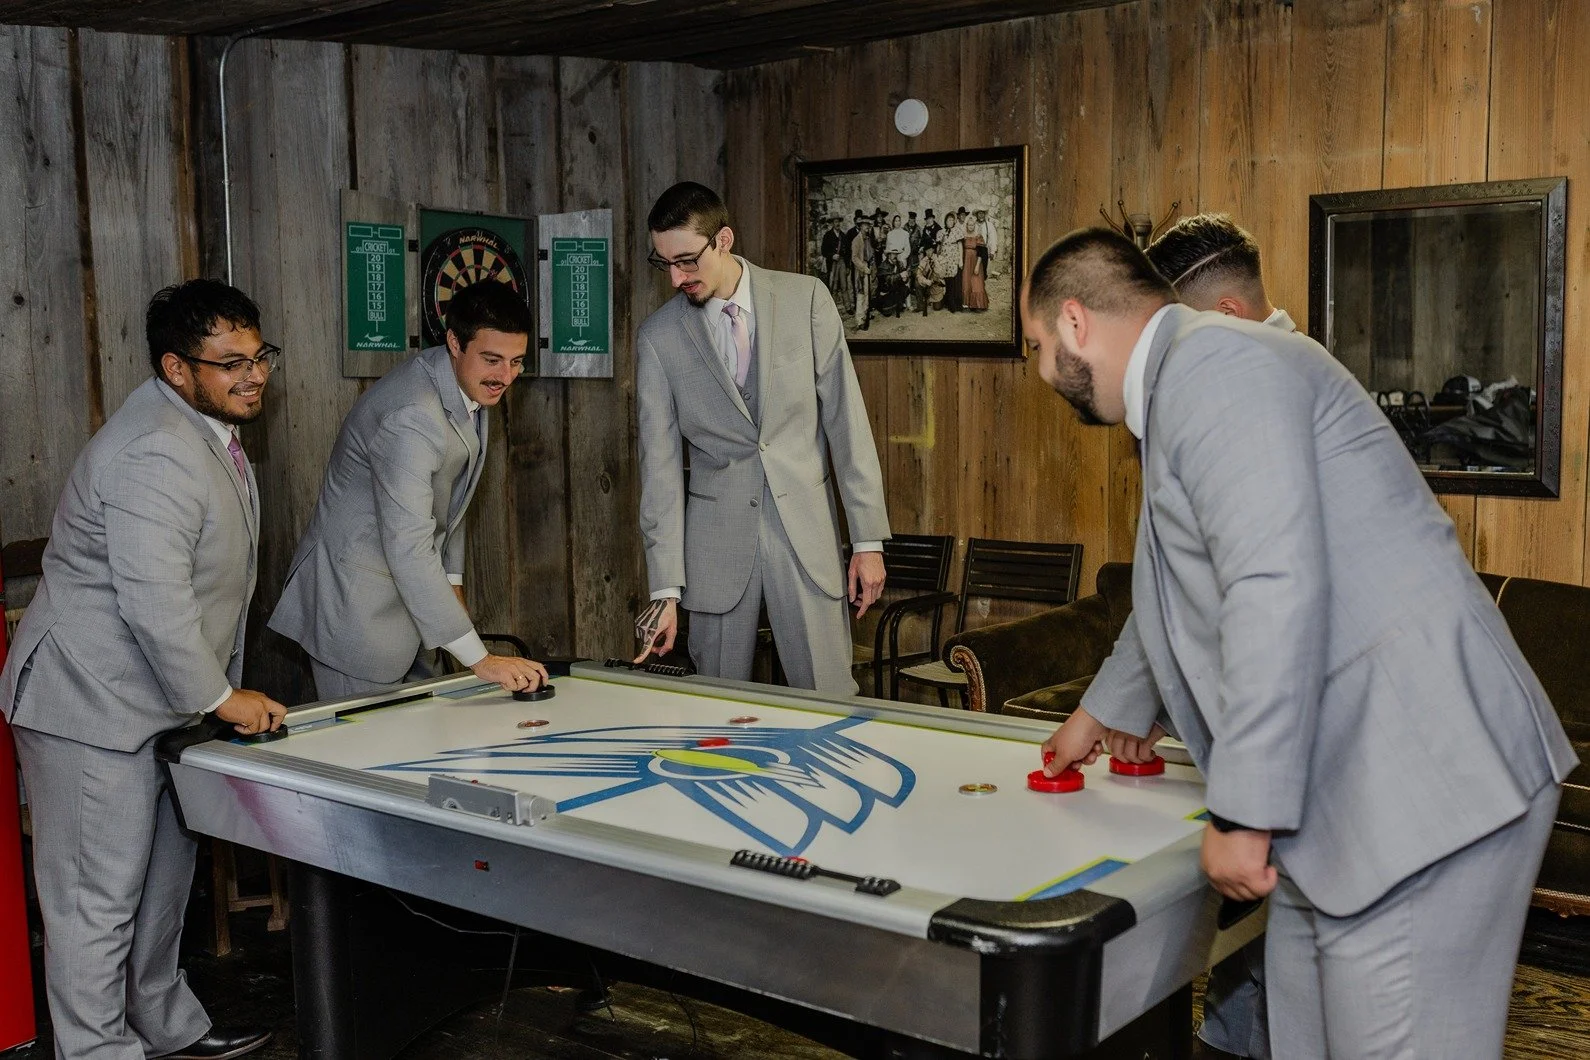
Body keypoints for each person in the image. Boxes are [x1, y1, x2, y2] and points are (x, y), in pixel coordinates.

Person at [1026, 228, 1575, 1059]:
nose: (1041, 371)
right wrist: (1099, 714)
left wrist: (1244, 811)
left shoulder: (1212, 368)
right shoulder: (1192, 379)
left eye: (1036, 346)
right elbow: (1182, 590)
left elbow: (1270, 584)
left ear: (1074, 322)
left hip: (1418, 791)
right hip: (1348, 801)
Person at [0, 280, 286, 1060]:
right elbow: (155, 603)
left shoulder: (206, 428)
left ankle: (164, 1028)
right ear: (176, 368)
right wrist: (223, 698)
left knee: (162, 881)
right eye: (230, 363)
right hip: (87, 703)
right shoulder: (153, 449)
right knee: (96, 901)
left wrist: (205, 700)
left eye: (259, 355)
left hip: (162, 700)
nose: (254, 375)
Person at [633, 181, 890, 694]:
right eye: (665, 264)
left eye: (687, 261)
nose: (677, 278)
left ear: (724, 239)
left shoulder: (806, 299)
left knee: (830, 700)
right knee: (715, 713)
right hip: (716, 549)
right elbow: (658, 468)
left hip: (806, 538)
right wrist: (665, 589)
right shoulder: (658, 338)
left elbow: (848, 424)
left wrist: (867, 542)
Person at [1140, 211, 1291, 1059]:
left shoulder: (1272, 395)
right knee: (1252, 960)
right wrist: (1127, 703)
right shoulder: (1240, 378)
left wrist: (1243, 806)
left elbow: (1273, 608)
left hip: (1294, 741)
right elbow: (1173, 577)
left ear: (1225, 316)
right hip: (1251, 733)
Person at [269, 281, 549, 699]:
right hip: (356, 615)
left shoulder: (465, 380)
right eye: (492, 360)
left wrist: (452, 585)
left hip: (417, 613)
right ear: (454, 343)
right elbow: (407, 543)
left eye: (516, 362)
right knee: (368, 741)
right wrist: (481, 658)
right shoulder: (412, 416)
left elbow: (451, 503)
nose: (505, 377)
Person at [850, 216, 877, 329]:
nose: (867, 227)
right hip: (861, 271)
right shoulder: (856, 240)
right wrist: (863, 267)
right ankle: (859, 320)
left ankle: (865, 315)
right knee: (861, 294)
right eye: (865, 225)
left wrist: (872, 267)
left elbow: (871, 253)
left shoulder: (868, 239)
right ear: (860, 226)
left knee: (868, 294)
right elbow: (854, 257)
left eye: (868, 225)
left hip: (869, 268)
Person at [960, 207, 989, 311]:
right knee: (966, 282)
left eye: (972, 225)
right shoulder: (964, 236)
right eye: (969, 225)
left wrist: (977, 265)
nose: (971, 226)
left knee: (977, 282)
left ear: (974, 225)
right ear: (966, 225)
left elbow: (981, 252)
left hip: (976, 261)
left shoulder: (978, 236)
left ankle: (977, 304)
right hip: (966, 262)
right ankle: (968, 303)